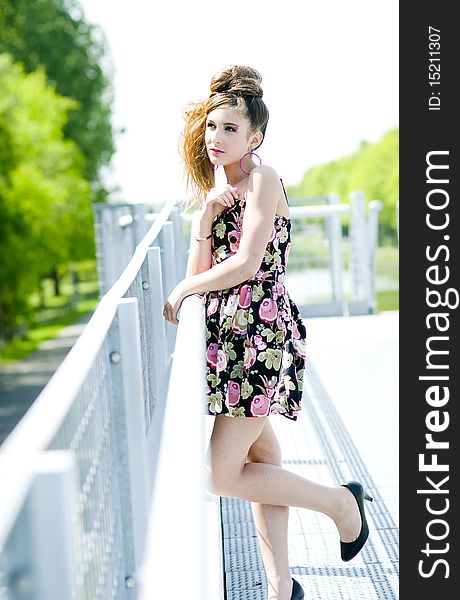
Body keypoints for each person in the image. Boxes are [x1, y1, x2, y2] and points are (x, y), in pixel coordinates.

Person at [163, 65, 372, 600]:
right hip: (225, 340)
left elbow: (249, 263)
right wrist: (206, 217)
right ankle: (282, 589)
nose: (216, 137)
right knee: (261, 460)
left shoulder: (263, 179)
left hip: (258, 336)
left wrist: (184, 292)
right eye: (212, 127)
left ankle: (340, 505)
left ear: (255, 136)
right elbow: (203, 265)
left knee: (219, 473)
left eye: (230, 128)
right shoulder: (221, 185)